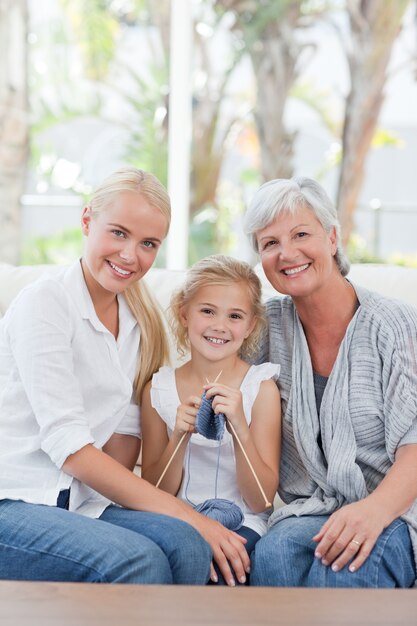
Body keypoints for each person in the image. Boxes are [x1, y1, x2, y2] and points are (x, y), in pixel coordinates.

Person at [0, 167, 250, 586]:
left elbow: (120, 442)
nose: (130, 255)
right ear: (86, 221)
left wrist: (178, 523)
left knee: (187, 544)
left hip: (82, 503)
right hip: (16, 498)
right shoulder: (45, 303)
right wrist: (189, 515)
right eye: (118, 233)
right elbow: (72, 449)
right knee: (137, 561)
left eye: (148, 243)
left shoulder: (139, 322)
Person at [242, 176, 417, 588]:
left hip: (394, 508)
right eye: (269, 243)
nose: (287, 253)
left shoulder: (395, 324)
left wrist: (373, 512)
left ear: (332, 238)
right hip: (310, 509)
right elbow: (217, 378)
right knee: (274, 556)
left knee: (340, 570)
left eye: (301, 234)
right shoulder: (266, 328)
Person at [141, 254, 281, 586]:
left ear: (249, 327)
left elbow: (261, 499)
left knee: (222, 566)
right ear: (183, 313)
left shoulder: (260, 388)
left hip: (244, 521)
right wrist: (179, 435)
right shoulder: (157, 390)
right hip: (178, 520)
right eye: (207, 311)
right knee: (178, 557)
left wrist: (240, 431)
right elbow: (154, 493)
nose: (219, 326)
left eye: (235, 316)